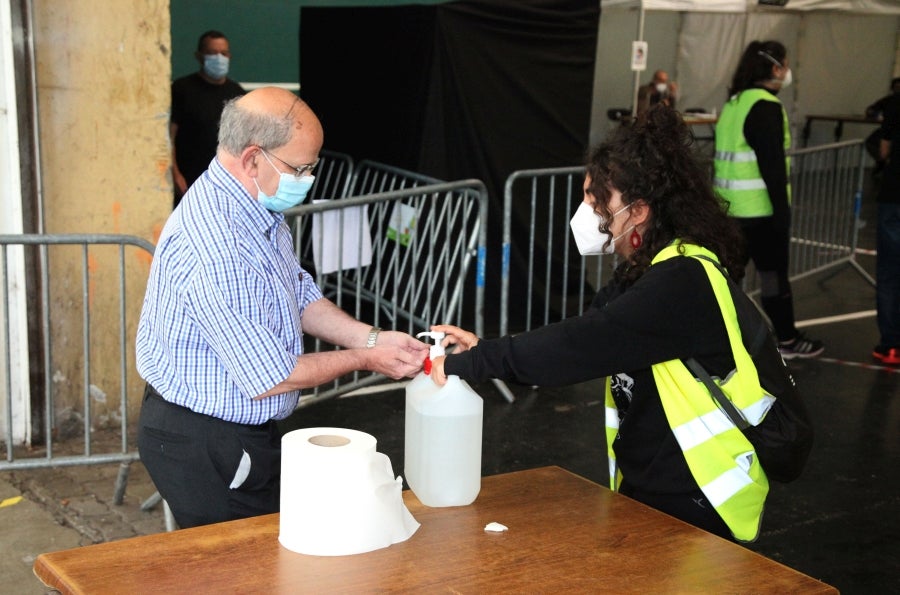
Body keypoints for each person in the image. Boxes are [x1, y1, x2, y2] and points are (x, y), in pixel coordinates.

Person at [430, 106, 771, 542]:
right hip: (655, 484)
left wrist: (479, 361)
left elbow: (579, 346)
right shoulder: (643, 270)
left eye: (596, 202)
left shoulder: (681, 280)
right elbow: (581, 338)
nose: (585, 213)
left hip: (703, 498)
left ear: (639, 210)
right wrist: (485, 348)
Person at [136, 87, 428, 528]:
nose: (309, 179)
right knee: (241, 569)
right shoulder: (219, 245)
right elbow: (271, 375)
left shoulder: (252, 207)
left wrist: (371, 337)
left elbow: (297, 289)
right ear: (253, 158)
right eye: (300, 167)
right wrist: (369, 358)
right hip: (205, 439)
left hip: (236, 428)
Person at [713, 40, 823, 359]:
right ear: (775, 68)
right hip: (759, 213)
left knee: (728, 278)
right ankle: (787, 339)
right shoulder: (766, 107)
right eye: (785, 65)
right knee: (773, 278)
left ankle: (715, 338)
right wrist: (782, 214)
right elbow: (772, 167)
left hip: (728, 210)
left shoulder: (734, 105)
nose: (787, 72)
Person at [170, 30, 246, 209]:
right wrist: (175, 174)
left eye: (224, 53)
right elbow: (169, 137)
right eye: (212, 53)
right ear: (199, 56)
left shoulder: (237, 93)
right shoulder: (182, 89)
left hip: (225, 185)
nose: (219, 58)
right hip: (188, 184)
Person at [873, 83, 900, 365]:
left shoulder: (895, 103)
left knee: (891, 272)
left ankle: (891, 345)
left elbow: (883, 149)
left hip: (894, 195)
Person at [864, 77, 900, 176]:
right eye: (896, 87)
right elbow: (871, 109)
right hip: (888, 130)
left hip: (893, 132)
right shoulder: (888, 100)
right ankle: (882, 162)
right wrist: (873, 113)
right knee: (871, 142)